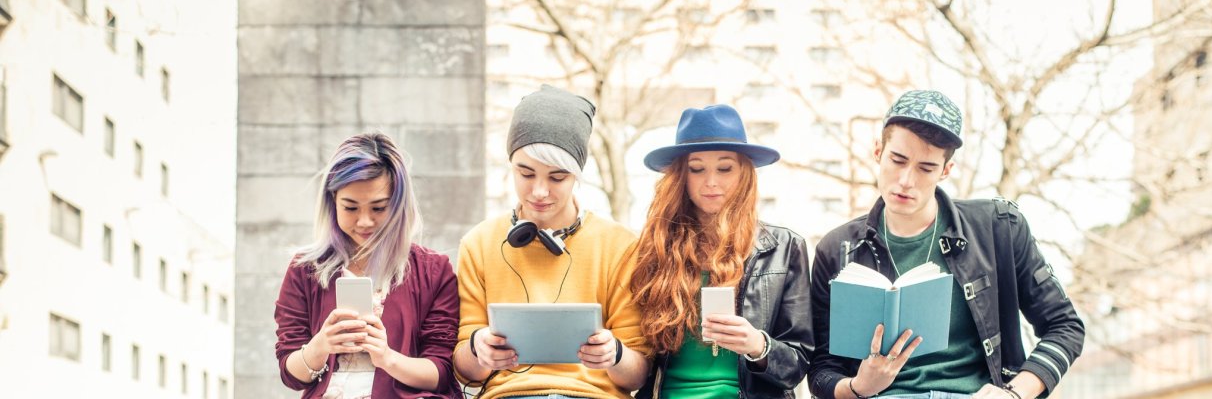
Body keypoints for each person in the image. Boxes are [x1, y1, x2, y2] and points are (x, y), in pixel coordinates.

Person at [808, 90, 1085, 399]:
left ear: (946, 171)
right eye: (897, 160)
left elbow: (1065, 327)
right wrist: (859, 387)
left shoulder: (999, 227)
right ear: (877, 151)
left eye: (926, 168)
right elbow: (820, 371)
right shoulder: (838, 248)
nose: (906, 180)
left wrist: (1013, 394)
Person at [451, 85, 650, 398]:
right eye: (526, 174)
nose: (540, 191)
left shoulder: (620, 245)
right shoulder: (479, 244)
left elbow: (637, 375)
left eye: (557, 177)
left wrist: (616, 355)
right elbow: (466, 373)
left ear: (576, 176)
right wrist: (478, 349)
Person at [628, 104, 812, 398]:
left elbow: (798, 364)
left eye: (724, 168)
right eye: (697, 169)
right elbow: (637, 358)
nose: (711, 182)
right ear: (681, 176)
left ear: (744, 173)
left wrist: (757, 345)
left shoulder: (785, 247)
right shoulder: (655, 249)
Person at [273, 133, 462, 399]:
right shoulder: (305, 270)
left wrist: (386, 358)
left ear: (399, 204)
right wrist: (321, 345)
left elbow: (441, 371)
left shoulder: (432, 270)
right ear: (332, 202)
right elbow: (290, 373)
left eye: (378, 208)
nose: (364, 222)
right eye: (350, 208)